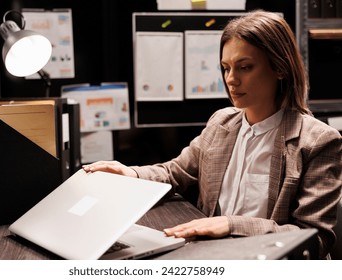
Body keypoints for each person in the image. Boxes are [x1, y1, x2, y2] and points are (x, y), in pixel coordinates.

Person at [82, 10, 342, 259]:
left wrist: (232, 224)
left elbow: (314, 238)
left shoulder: (318, 141)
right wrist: (132, 173)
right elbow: (175, 172)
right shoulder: (222, 123)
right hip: (216, 256)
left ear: (280, 68)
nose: (231, 79)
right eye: (226, 68)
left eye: (245, 67)